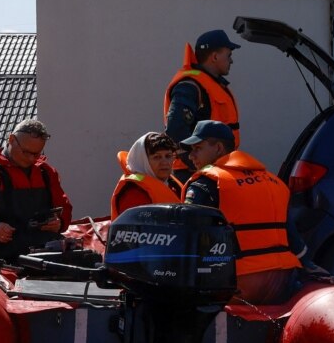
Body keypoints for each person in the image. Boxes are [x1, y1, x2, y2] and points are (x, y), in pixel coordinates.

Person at [180, 120, 303, 303]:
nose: (191, 156)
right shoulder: (274, 182)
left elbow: (187, 239)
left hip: (239, 283)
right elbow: (297, 246)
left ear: (219, 148)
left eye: (197, 148)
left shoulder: (206, 184)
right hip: (282, 282)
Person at [0, 119, 73, 261]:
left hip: (43, 249)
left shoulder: (46, 173)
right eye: (25, 152)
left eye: (36, 154)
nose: (30, 158)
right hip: (2, 255)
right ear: (11, 139)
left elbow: (64, 208)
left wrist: (59, 222)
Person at [163, 29, 241, 178]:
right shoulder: (189, 86)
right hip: (193, 173)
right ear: (215, 56)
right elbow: (175, 129)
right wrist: (197, 165)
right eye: (229, 55)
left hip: (213, 170)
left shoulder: (209, 84)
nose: (231, 60)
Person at [111, 132, 183, 219]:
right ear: (143, 160)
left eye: (168, 156)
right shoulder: (134, 193)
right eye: (157, 157)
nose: (165, 162)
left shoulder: (172, 185)